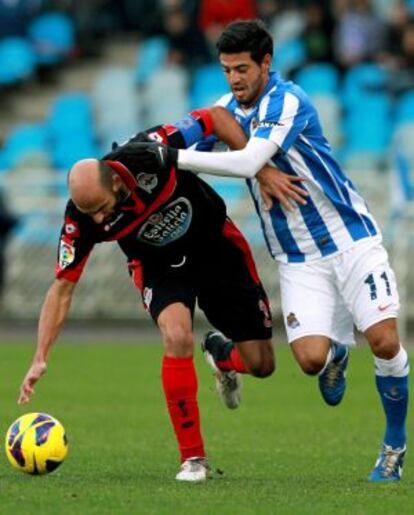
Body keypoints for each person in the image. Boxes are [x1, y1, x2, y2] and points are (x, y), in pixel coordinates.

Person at [132, 20, 409, 482]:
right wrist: (142, 149)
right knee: (309, 361)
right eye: (226, 70)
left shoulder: (289, 100)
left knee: (383, 340)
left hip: (350, 239)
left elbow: (246, 160)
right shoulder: (225, 109)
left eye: (242, 68)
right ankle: (334, 354)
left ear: (266, 63)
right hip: (297, 258)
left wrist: (173, 158)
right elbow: (184, 132)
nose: (234, 79)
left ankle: (393, 447)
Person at [17, 108, 284, 482]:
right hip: (159, 267)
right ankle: (193, 459)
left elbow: (216, 117)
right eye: (87, 213)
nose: (97, 221)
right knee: (176, 336)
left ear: (115, 182)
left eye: (99, 209)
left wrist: (260, 169)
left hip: (215, 248)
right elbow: (62, 288)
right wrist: (40, 356)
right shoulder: (81, 217)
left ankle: (223, 355)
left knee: (262, 365)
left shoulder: (149, 150)